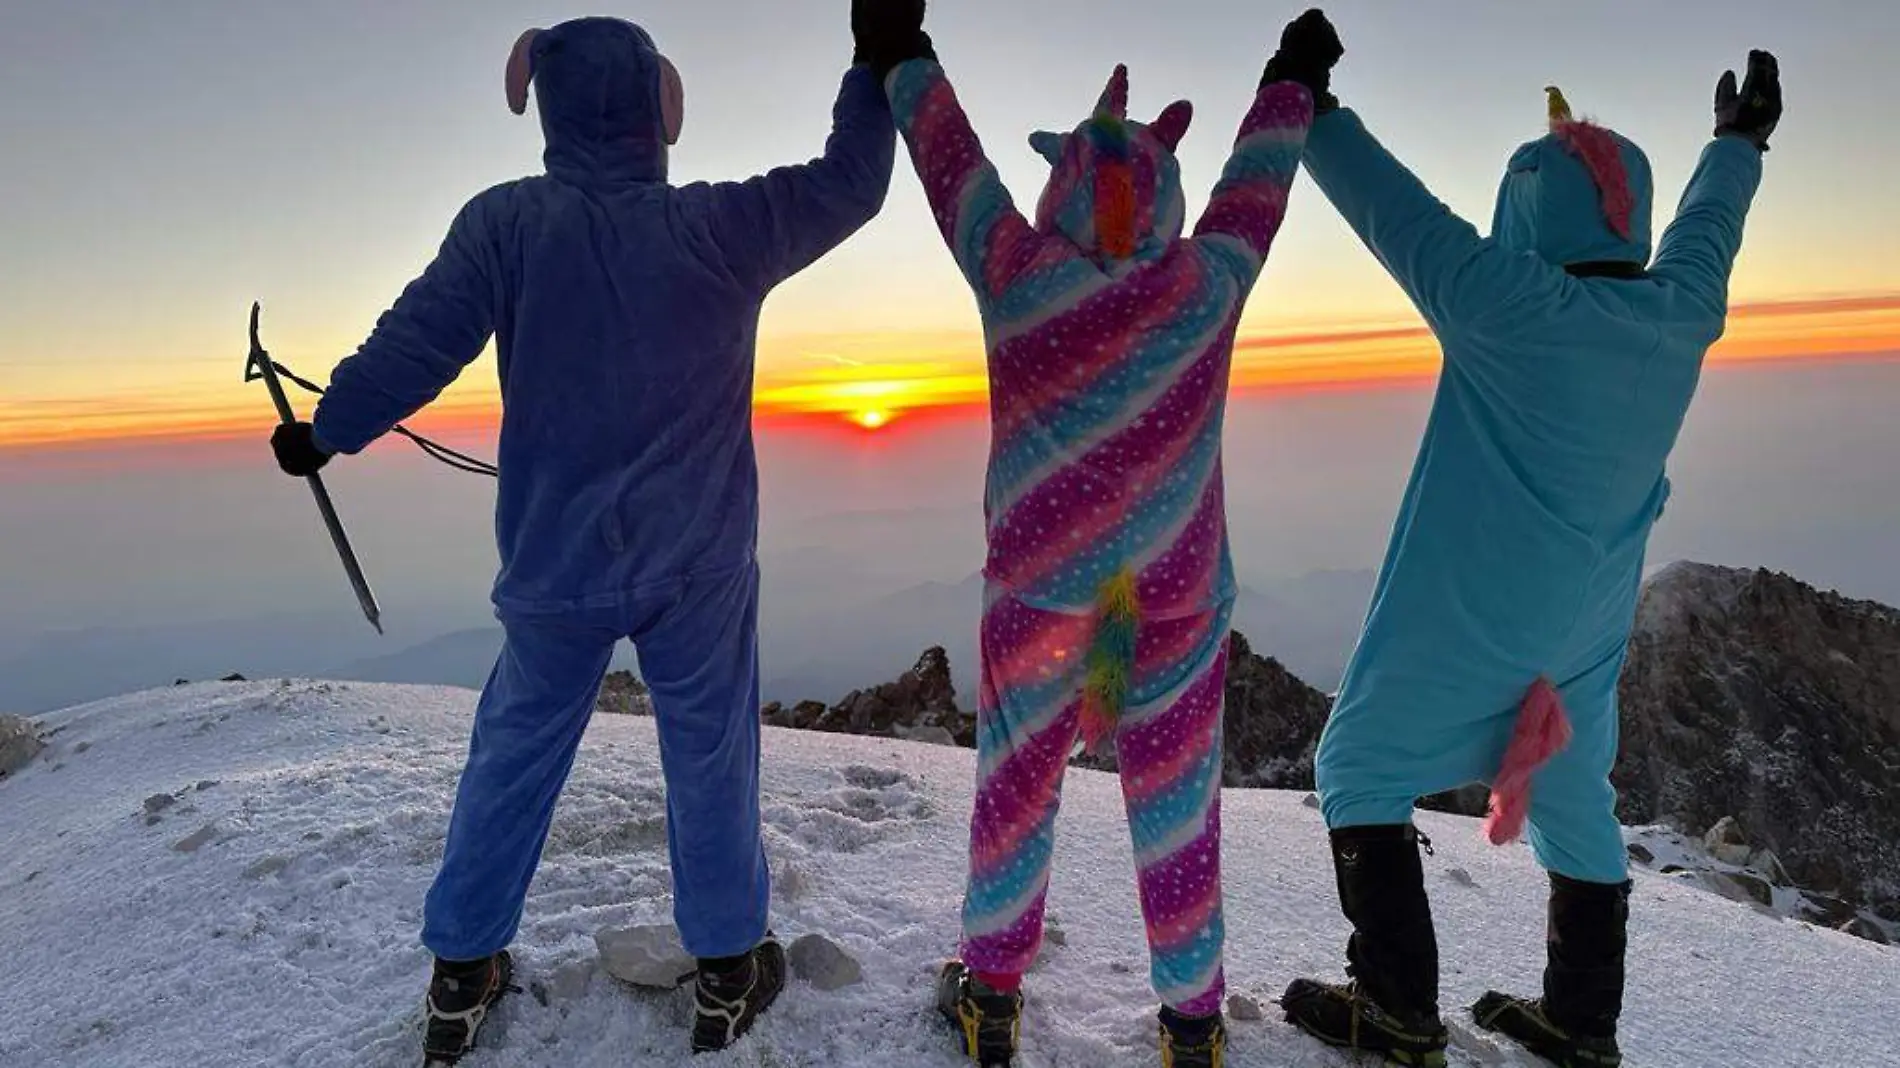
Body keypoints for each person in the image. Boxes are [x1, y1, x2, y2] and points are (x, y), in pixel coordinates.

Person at [267, 12, 897, 1064]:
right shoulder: (719, 226)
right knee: (709, 757)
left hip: (554, 567)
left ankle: (463, 971)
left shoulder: (508, 225)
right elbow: (849, 186)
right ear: (662, 110)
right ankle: (728, 968)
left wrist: (326, 433)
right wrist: (873, 65)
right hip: (697, 565)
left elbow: (415, 342)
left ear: (543, 104)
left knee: (512, 755)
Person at [1270, 11, 1782, 1068]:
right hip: (1587, 622)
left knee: (1358, 760)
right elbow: (1704, 234)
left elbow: (1393, 212)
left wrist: (1304, 100)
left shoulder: (1507, 303)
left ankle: (1398, 1006)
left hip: (1474, 613)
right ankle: (1582, 1025)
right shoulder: (1675, 313)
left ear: (1524, 214)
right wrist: (1738, 143)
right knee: (1570, 795)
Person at [861, 3, 1323, 1064]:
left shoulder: (1018, 273)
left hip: (1039, 592)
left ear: (1062, 186)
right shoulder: (1204, 285)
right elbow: (1254, 189)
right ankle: (1193, 1020)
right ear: (1162, 197)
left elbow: (952, 163)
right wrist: (1289, 76)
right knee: (1176, 804)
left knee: (1016, 789)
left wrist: (900, 52)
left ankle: (989, 994)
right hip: (1176, 593)